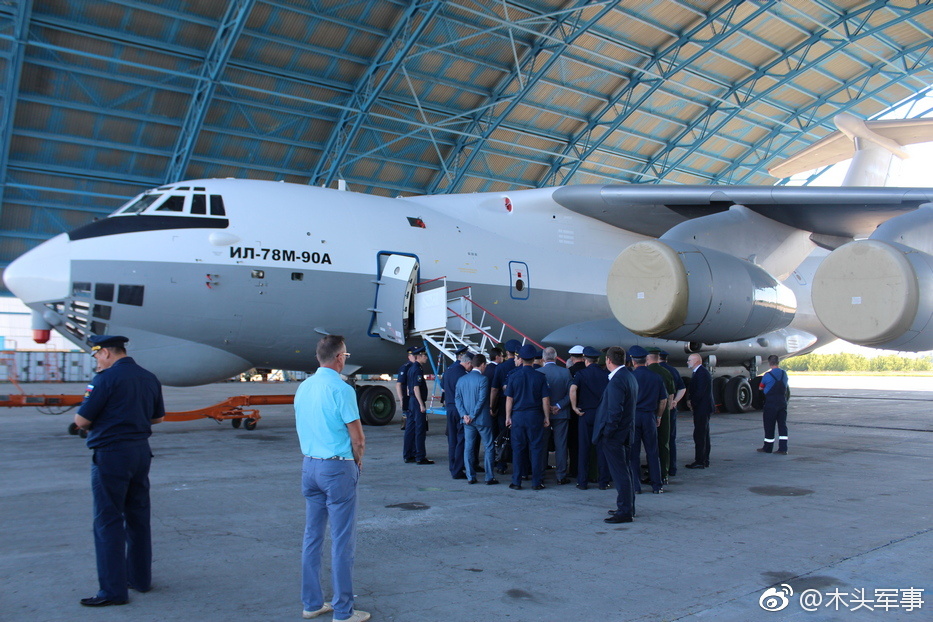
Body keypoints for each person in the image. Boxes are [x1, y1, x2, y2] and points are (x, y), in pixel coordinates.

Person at [73, 335, 165, 607]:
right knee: (138, 516)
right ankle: (140, 579)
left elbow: (81, 420)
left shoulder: (104, 379)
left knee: (108, 521)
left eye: (96, 355)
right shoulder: (149, 377)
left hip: (112, 454)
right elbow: (158, 418)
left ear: (105, 353)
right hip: (140, 452)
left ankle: (112, 591)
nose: (96, 361)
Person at [295, 335, 369, 622]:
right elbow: (357, 437)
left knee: (312, 536)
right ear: (340, 358)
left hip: (309, 466)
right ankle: (342, 611)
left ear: (318, 357)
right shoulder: (342, 389)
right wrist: (358, 460)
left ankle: (312, 604)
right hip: (336, 467)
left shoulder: (303, 387)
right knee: (342, 541)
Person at [593, 346, 638, 523]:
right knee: (625, 471)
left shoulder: (618, 380)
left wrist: (608, 433)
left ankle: (625, 511)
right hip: (626, 432)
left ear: (608, 360)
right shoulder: (629, 376)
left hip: (616, 436)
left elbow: (615, 411)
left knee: (620, 473)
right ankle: (628, 507)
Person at [505, 344, 551, 490]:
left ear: (520, 358)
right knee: (536, 449)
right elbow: (545, 399)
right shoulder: (540, 377)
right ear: (533, 359)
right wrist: (546, 417)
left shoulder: (513, 376)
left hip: (518, 416)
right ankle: (537, 482)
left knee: (518, 449)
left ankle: (516, 481)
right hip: (535, 416)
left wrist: (508, 416)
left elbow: (509, 399)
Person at [570, 346, 610, 490]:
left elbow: (573, 389)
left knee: (584, 448)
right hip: (601, 414)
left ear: (586, 360)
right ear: (597, 360)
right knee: (601, 448)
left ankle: (582, 482)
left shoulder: (581, 374)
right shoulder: (606, 375)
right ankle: (603, 482)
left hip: (585, 414)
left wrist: (574, 407)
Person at [629, 346, 667, 494]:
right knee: (652, 451)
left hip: (634, 417)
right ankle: (657, 485)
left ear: (633, 361)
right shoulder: (656, 377)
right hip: (649, 416)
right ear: (646, 360)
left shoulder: (630, 377)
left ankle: (636, 486)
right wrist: (658, 416)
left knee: (634, 453)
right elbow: (663, 400)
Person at [457, 354, 498, 485]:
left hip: (467, 421)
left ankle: (470, 476)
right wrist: (473, 415)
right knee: (489, 446)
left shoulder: (461, 380)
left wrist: (465, 415)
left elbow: (457, 399)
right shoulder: (483, 379)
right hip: (481, 420)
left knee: (468, 448)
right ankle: (489, 477)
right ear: (483, 365)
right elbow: (481, 400)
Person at [537, 346, 573, 484]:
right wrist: (558, 406)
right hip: (561, 412)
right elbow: (571, 394)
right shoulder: (565, 372)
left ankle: (540, 473)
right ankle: (561, 475)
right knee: (561, 445)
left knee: (542, 444)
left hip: (542, 413)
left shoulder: (539, 372)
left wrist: (546, 408)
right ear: (556, 357)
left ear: (543, 358)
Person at [442, 347, 472, 479]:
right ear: (468, 362)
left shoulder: (448, 371)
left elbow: (443, 386)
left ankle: (452, 466)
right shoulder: (464, 375)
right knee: (462, 440)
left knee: (452, 440)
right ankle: (458, 469)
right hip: (460, 410)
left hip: (449, 408)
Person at [646, 348, 675, 484]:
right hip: (664, 413)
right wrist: (664, 412)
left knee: (650, 445)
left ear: (647, 358)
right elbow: (670, 395)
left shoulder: (647, 373)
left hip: (648, 413)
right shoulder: (666, 372)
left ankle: (652, 473)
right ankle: (664, 474)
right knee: (664, 443)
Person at [658, 350, 686, 477]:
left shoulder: (655, 371)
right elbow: (682, 388)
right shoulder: (673, 371)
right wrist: (675, 401)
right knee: (670, 439)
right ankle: (671, 467)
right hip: (671, 410)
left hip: (658, 410)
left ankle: (660, 466)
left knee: (658, 440)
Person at [405, 346, 434, 465]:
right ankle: (420, 456)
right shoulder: (418, 369)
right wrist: (421, 404)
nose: (426, 358)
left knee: (410, 428)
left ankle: (408, 455)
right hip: (417, 402)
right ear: (420, 356)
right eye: (425, 356)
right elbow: (416, 387)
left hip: (411, 401)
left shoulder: (411, 368)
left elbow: (408, 388)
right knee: (420, 429)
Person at [685, 353, 713, 469]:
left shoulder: (701, 373)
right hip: (702, 407)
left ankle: (700, 460)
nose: (687, 362)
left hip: (702, 408)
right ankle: (703, 459)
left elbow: (700, 391)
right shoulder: (699, 372)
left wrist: (692, 402)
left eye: (689, 360)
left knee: (700, 434)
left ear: (696, 361)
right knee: (703, 433)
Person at [758, 355, 790, 454]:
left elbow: (760, 388)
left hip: (771, 403)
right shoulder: (784, 374)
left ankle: (767, 448)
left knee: (769, 425)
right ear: (778, 362)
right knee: (782, 425)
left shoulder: (767, 375)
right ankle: (783, 449)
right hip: (782, 401)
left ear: (769, 363)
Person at [395, 347, 416, 432]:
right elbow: (398, 384)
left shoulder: (416, 367)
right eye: (413, 355)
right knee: (409, 419)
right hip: (407, 397)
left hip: (414, 397)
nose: (415, 357)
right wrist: (401, 399)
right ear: (409, 356)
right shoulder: (406, 367)